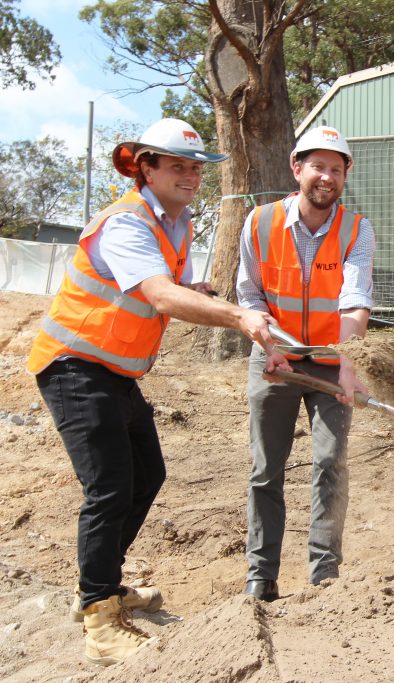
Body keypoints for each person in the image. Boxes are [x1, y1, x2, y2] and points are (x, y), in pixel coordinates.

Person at [27, 118, 288, 666]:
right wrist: (239, 315)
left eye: (196, 168)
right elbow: (160, 297)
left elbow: (172, 287)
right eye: (178, 166)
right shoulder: (127, 223)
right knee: (109, 488)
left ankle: (98, 583)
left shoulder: (178, 220)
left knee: (148, 475)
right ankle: (99, 617)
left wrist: (198, 289)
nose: (191, 176)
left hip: (116, 372)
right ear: (145, 167)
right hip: (75, 365)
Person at [237, 126, 373, 601]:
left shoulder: (356, 229)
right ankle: (261, 575)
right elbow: (249, 296)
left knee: (331, 461)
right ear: (297, 168)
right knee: (265, 469)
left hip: (331, 364)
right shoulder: (259, 222)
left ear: (346, 175)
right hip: (273, 359)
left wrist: (349, 368)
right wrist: (268, 343)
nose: (327, 177)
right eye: (318, 166)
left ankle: (324, 572)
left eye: (337, 169)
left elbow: (355, 303)